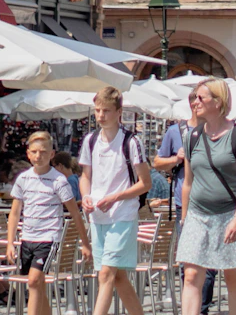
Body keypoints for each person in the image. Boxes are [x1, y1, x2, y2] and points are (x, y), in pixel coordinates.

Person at [175, 79, 236, 315]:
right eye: (194, 98)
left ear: (218, 102)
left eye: (201, 98)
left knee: (232, 275)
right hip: (197, 215)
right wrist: (184, 217)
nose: (195, 102)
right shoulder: (192, 136)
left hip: (229, 213)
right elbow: (188, 181)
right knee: (190, 275)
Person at [80, 86, 150, 315]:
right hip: (98, 216)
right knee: (118, 276)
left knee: (106, 274)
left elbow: (144, 183)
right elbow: (86, 177)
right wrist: (85, 197)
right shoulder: (90, 140)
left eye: (106, 111)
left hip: (122, 214)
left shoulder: (131, 142)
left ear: (119, 111)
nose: (101, 115)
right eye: (98, 110)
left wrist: (115, 197)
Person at [7, 130, 89, 315]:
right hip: (27, 238)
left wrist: (85, 243)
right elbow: (14, 213)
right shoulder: (23, 178)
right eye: (34, 151)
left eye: (43, 152)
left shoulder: (59, 180)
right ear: (28, 153)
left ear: (51, 154)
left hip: (48, 238)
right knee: (35, 286)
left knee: (34, 281)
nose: (39, 156)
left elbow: (75, 213)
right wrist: (11, 242)